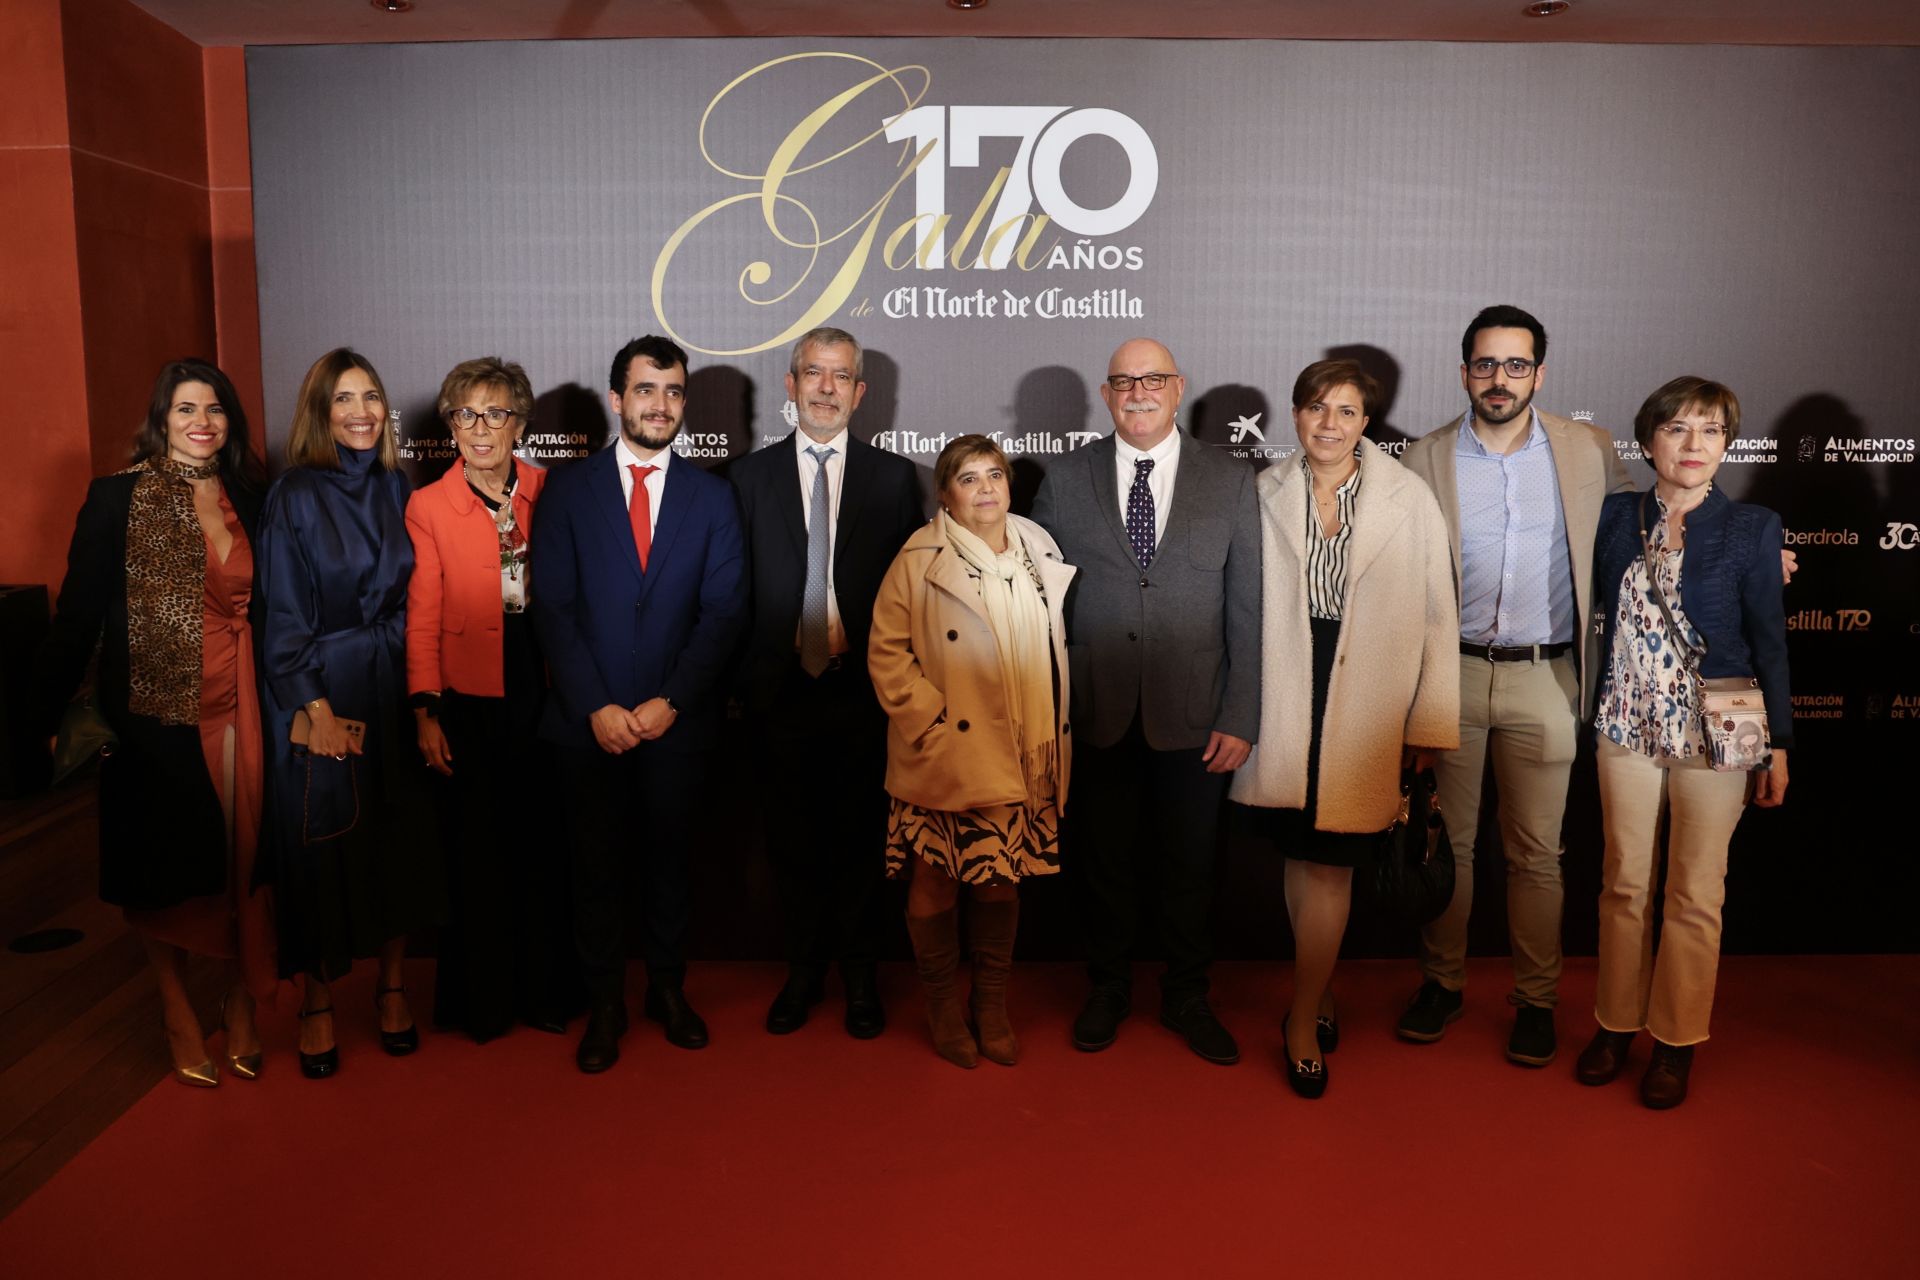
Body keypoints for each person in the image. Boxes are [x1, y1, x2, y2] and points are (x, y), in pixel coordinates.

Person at [1396, 306, 1634, 1067]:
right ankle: (1443, 984)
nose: (1500, 380)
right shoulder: (1422, 457)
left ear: (1540, 371)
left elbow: (1647, 529)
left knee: (1537, 855)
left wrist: (1754, 557)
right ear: (1464, 370)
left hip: (1549, 677)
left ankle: (1535, 1001)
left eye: (1516, 365)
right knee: (1449, 848)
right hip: (1448, 677)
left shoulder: (1589, 449)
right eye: (1485, 365)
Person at [36, 359, 276, 1085]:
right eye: (185, 410)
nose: (202, 422)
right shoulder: (120, 499)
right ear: (162, 420)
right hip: (160, 715)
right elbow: (76, 618)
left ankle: (240, 1002)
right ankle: (175, 1004)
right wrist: (44, 716)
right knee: (164, 867)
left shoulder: (250, 495)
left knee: (246, 863)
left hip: (247, 704)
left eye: (215, 409)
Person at [1229, 360, 1459, 1097]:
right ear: (1295, 416)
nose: (1330, 423)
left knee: (1332, 864)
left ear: (1368, 423)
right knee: (1301, 854)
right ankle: (1319, 988)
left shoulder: (1408, 497)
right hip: (1287, 686)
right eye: (1317, 408)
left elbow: (1435, 616)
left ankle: (1300, 1017)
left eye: (1348, 411)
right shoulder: (1261, 490)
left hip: (1369, 696)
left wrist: (1426, 723)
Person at [1030, 337, 1261, 1065]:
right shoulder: (1062, 481)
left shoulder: (1229, 480)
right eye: (1124, 381)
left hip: (1197, 715)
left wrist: (1241, 714)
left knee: (1192, 865)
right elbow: (1041, 608)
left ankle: (1188, 994)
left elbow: (1248, 610)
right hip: (1094, 711)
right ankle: (1109, 987)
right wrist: (1049, 713)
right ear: (1106, 394)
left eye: (1152, 379)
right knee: (1103, 861)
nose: (1138, 392)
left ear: (1178, 387)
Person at [529, 334, 747, 1074]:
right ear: (617, 399)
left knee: (669, 868)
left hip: (675, 726)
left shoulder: (714, 497)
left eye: (675, 392)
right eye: (647, 390)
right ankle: (605, 1006)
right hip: (585, 727)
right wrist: (595, 706)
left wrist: (670, 702)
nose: (662, 405)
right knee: (594, 871)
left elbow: (723, 613)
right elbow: (551, 608)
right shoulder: (567, 489)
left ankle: (666, 991)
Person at [1577, 376, 1791, 1109]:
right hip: (1625, 727)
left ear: (1728, 443)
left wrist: (1781, 744)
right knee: (1625, 884)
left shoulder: (1754, 528)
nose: (1694, 445)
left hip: (1718, 736)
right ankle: (1615, 1024)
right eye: (1677, 429)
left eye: (1709, 430)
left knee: (1696, 892)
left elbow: (1770, 642)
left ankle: (1675, 1042)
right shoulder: (1614, 517)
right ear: (1649, 442)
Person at [730, 327, 922, 1038]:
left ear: (860, 392)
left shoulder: (895, 479)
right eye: (814, 373)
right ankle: (804, 971)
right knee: (790, 845)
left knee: (862, 844)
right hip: (779, 695)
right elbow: (733, 592)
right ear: (790, 383)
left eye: (841, 377)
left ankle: (861, 974)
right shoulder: (748, 479)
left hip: (863, 696)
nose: (826, 388)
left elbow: (913, 598)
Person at [257, 348, 437, 1079]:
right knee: (321, 845)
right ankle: (318, 1000)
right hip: (321, 688)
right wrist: (315, 706)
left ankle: (393, 988)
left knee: (396, 836)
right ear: (319, 413)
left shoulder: (399, 486)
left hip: (394, 685)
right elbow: (282, 613)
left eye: (371, 397)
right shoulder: (294, 494)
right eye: (343, 399)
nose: (361, 412)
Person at [869, 435, 1075, 1068]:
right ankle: (940, 1005)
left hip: (1021, 751)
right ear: (945, 494)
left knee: (999, 881)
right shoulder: (919, 557)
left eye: (995, 475)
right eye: (968, 478)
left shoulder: (1038, 546)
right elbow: (886, 651)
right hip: (947, 753)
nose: (986, 488)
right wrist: (932, 724)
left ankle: (989, 1005)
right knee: (935, 880)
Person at [405, 357, 580, 1042]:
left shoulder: (552, 489)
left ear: (521, 423)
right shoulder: (427, 506)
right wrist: (425, 710)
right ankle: (482, 1002)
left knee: (543, 846)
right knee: (476, 854)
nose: (481, 429)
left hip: (543, 687)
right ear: (449, 424)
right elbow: (420, 615)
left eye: (496, 413)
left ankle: (546, 993)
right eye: (466, 414)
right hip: (467, 696)